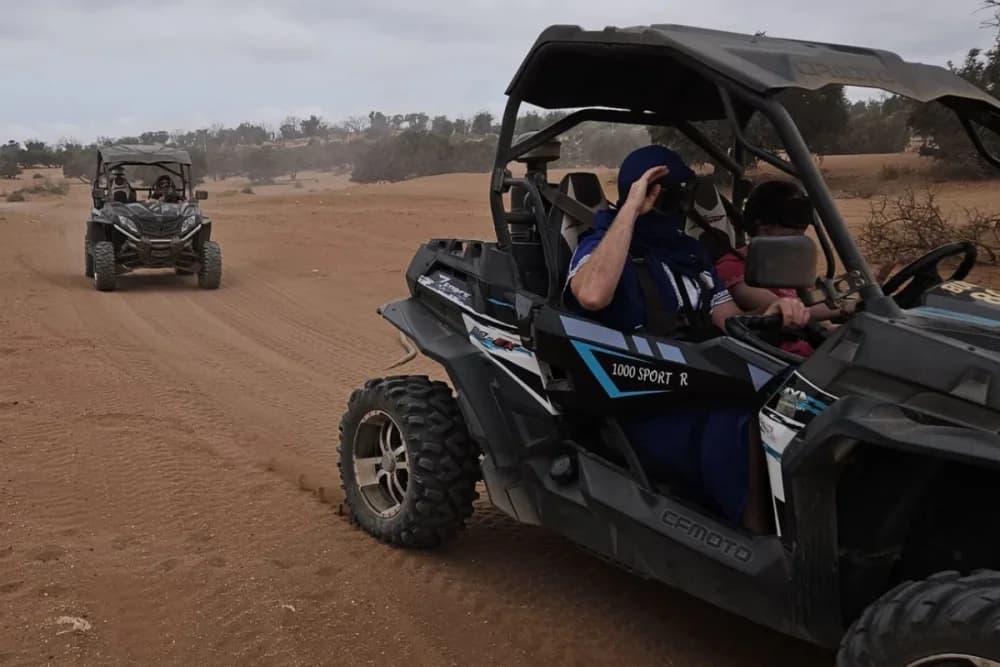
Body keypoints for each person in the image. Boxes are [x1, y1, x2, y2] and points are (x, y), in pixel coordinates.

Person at [566, 145, 809, 533]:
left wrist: (770, 315)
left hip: (703, 377)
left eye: (682, 194)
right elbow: (593, 294)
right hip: (643, 395)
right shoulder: (598, 248)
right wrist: (629, 210)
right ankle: (759, 540)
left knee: (795, 405)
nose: (680, 206)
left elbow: (729, 321)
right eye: (670, 195)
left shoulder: (690, 256)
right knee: (751, 423)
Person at [715, 180, 850, 357]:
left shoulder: (789, 263)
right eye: (792, 235)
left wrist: (832, 328)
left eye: (801, 235)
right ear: (764, 230)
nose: (798, 242)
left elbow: (811, 301)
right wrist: (847, 306)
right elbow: (787, 311)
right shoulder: (732, 267)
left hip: (808, 355)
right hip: (775, 361)